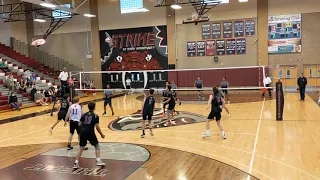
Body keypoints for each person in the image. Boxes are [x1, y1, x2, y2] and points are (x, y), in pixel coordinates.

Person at [73, 102, 105, 169]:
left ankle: (76, 163)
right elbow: (97, 127)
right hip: (90, 132)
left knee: (81, 148)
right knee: (96, 145)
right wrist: (101, 134)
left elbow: (79, 124)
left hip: (82, 132)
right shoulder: (95, 116)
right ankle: (98, 160)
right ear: (94, 108)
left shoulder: (84, 115)